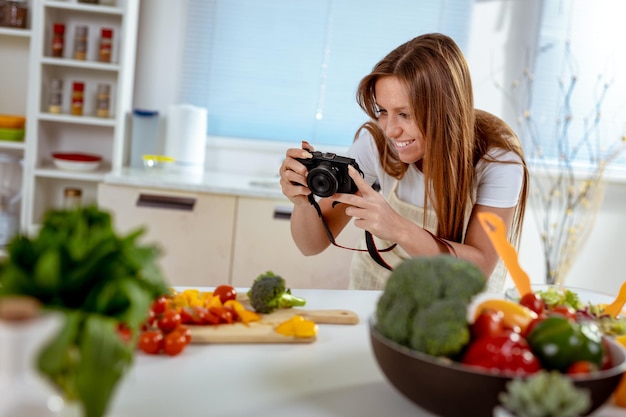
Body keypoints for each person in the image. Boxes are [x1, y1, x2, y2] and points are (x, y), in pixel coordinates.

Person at [278, 33, 529, 292]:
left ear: (446, 110)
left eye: (405, 114)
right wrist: (303, 203)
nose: (390, 130)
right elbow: (311, 246)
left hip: (460, 297)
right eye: (383, 111)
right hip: (379, 290)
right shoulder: (375, 144)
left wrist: (398, 228)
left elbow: (477, 270)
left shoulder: (497, 160)